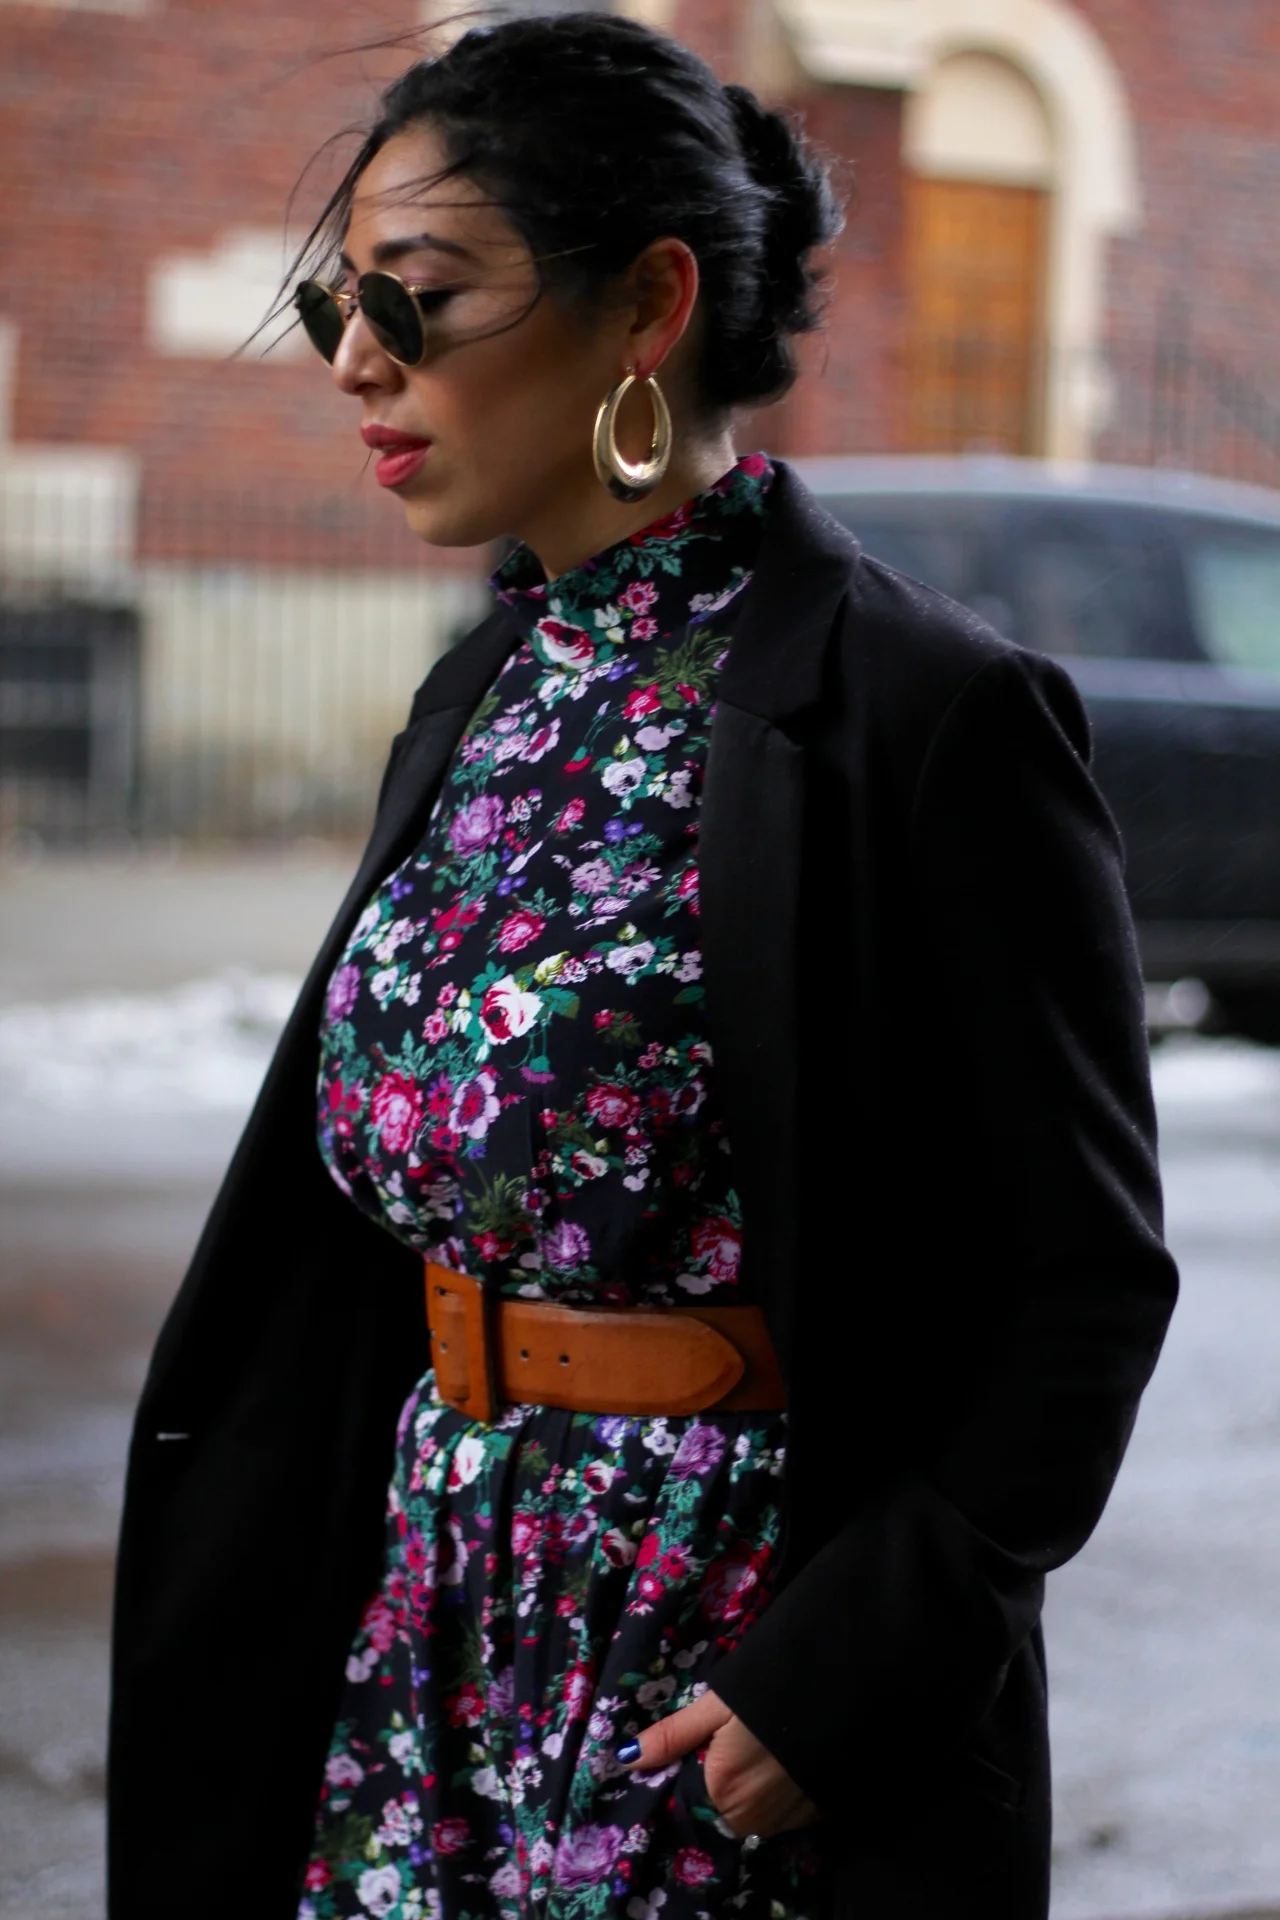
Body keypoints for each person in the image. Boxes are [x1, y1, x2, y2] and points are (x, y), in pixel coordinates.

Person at [107, 14, 1178, 1919]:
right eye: (338, 299)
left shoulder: (924, 713)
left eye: (419, 295)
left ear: (649, 305)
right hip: (425, 1622)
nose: (353, 356)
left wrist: (853, 1665)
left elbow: (1081, 1280)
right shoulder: (485, 687)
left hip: (727, 1674)